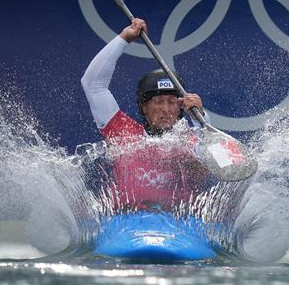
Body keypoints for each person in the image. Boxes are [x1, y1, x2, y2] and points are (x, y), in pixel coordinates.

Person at [80, 18, 208, 210]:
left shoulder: (192, 140)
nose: (166, 109)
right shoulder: (122, 131)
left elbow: (207, 164)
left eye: (172, 102)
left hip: (178, 231)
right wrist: (124, 38)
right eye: (158, 102)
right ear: (143, 107)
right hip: (127, 227)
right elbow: (92, 84)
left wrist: (201, 119)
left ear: (181, 106)